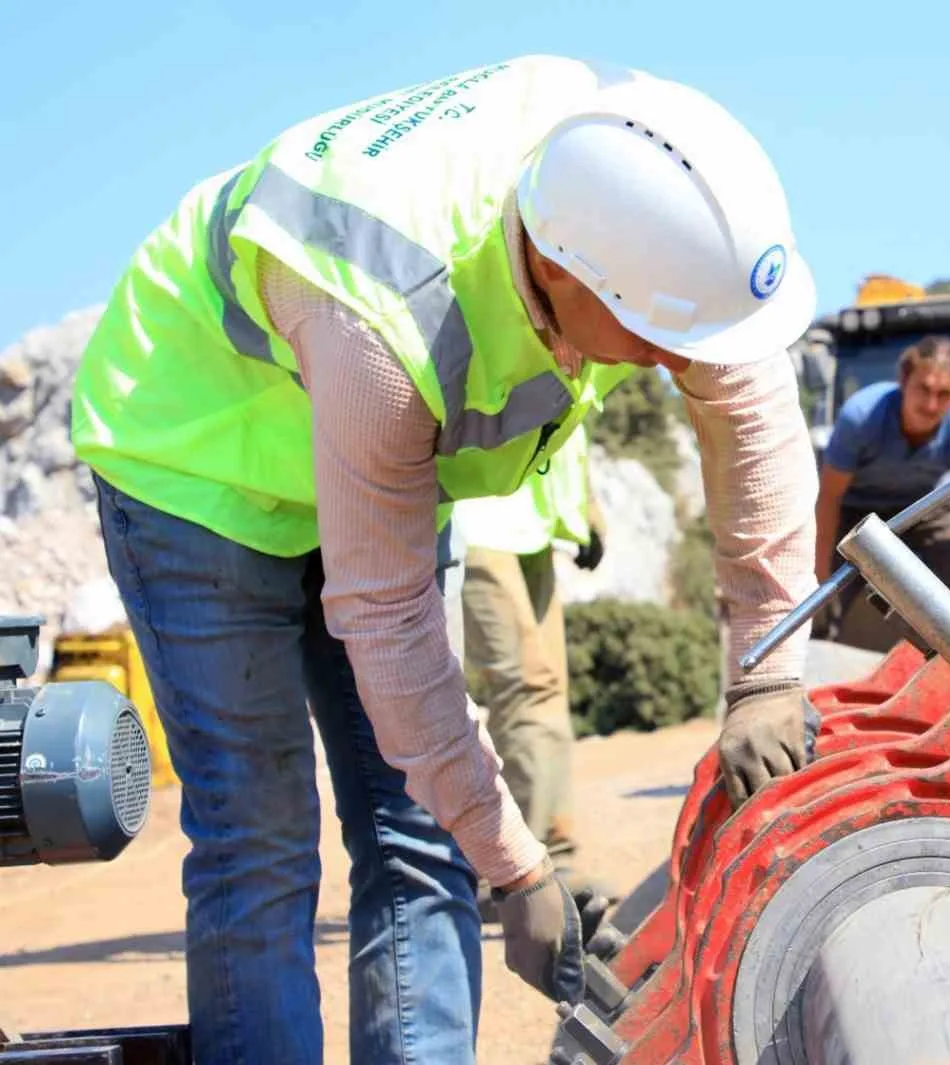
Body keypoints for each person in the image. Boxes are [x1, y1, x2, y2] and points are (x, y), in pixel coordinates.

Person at [69, 54, 820, 1065]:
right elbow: (386, 623)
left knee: (415, 828)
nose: (677, 364)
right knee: (261, 840)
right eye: (657, 339)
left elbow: (753, 418)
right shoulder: (391, 316)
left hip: (367, 443)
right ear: (557, 272)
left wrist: (767, 675)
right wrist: (514, 870)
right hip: (198, 462)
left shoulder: (633, 181)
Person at [450, 424, 609, 917]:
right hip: (471, 516)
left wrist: (585, 503)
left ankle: (547, 854)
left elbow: (573, 409)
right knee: (526, 684)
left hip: (532, 522)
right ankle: (522, 867)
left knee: (547, 687)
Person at [814, 336, 950, 637]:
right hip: (855, 515)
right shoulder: (862, 417)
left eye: (943, 394)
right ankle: (816, 649)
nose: (930, 404)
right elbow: (829, 498)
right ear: (904, 380)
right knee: (820, 605)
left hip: (925, 509)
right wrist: (819, 578)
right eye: (924, 389)